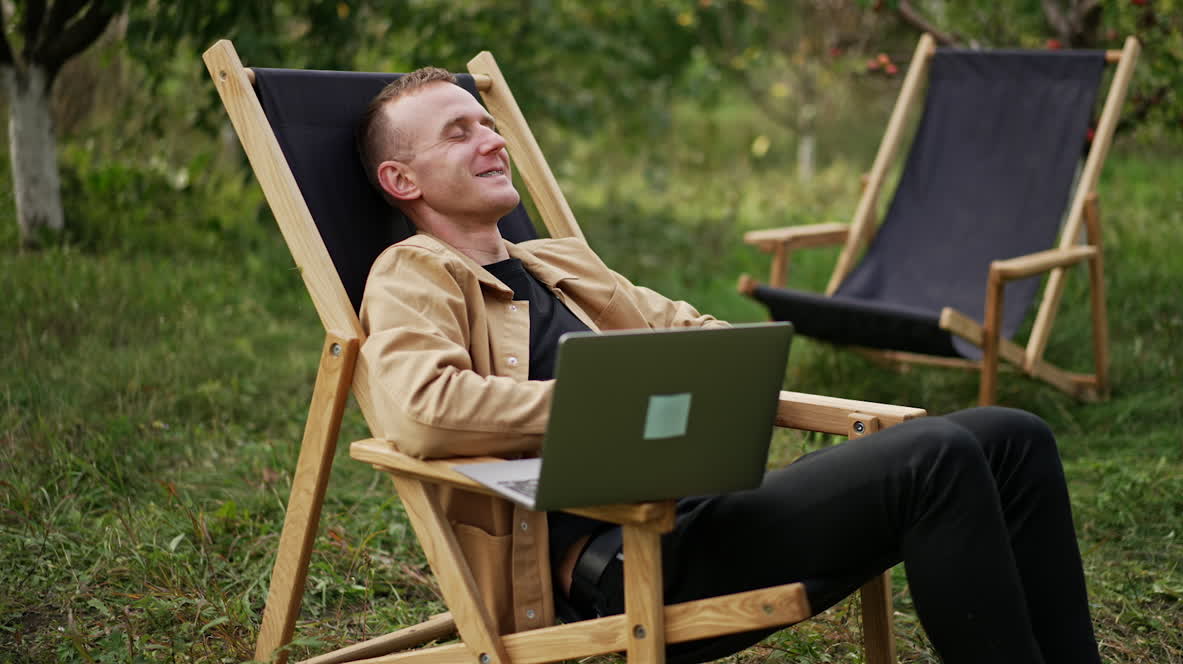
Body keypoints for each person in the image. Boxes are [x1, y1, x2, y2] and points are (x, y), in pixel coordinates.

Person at [355, 67, 1102, 664]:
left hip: (696, 513)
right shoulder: (413, 274)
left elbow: (700, 331)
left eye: (488, 123)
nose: (492, 140)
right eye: (459, 132)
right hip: (628, 556)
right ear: (402, 182)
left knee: (1013, 434)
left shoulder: (557, 265)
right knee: (934, 457)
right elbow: (422, 410)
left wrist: (692, 373)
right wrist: (604, 400)